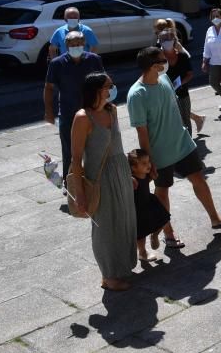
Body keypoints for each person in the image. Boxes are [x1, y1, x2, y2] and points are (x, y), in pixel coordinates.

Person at [128, 47, 221, 249]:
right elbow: (142, 133)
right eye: (162, 59)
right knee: (162, 193)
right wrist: (149, 163)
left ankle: (215, 218)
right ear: (154, 66)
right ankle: (169, 234)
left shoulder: (165, 79)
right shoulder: (137, 95)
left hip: (183, 144)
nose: (166, 60)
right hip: (160, 153)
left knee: (199, 179)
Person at [69, 72, 135, 290]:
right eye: (108, 86)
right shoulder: (82, 118)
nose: (112, 89)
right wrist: (79, 193)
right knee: (105, 227)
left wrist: (129, 175)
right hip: (99, 178)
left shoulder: (112, 110)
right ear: (96, 90)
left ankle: (121, 267)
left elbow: (117, 146)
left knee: (124, 222)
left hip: (120, 172)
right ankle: (108, 276)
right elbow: (76, 159)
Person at [44, 30, 104, 180]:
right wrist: (49, 111)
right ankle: (69, 180)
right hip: (68, 113)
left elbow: (103, 83)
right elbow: (49, 88)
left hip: (92, 111)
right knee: (69, 151)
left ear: (84, 44)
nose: (76, 46)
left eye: (78, 44)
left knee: (95, 147)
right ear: (66, 45)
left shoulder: (94, 59)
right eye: (72, 44)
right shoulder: (57, 64)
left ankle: (95, 179)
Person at [128, 148, 170, 262]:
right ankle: (142, 252)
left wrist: (152, 177)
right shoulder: (132, 181)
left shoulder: (146, 175)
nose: (148, 165)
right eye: (144, 163)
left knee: (165, 217)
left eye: (148, 162)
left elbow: (147, 181)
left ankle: (155, 235)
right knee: (141, 233)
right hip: (138, 208)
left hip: (149, 202)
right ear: (133, 168)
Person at [159, 28, 202, 136]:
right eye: (163, 39)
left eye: (168, 38)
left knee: (185, 119)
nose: (166, 41)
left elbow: (190, 74)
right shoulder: (158, 59)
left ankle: (189, 144)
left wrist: (180, 83)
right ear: (159, 41)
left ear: (174, 40)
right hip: (166, 95)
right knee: (173, 121)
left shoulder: (182, 56)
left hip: (182, 93)